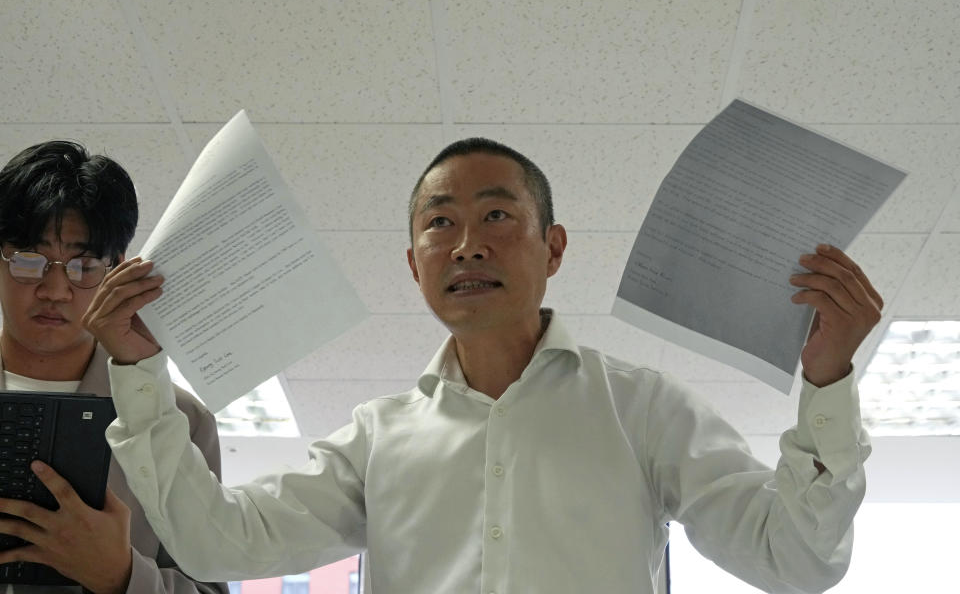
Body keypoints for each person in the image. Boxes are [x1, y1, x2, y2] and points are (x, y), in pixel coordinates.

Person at [87, 138, 877, 593]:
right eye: (441, 223)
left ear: (553, 247)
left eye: (498, 214)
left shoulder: (643, 411)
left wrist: (830, 384)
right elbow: (218, 542)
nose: (467, 243)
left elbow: (797, 557)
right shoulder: (379, 438)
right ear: (413, 263)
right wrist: (138, 371)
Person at [0, 141, 227, 594]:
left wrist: (121, 576)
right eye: (30, 260)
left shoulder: (178, 421)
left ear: (117, 270)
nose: (56, 290)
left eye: (84, 265)